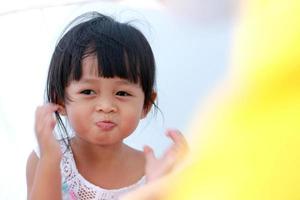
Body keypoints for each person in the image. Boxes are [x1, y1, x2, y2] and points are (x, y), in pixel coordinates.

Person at [26, 11, 187, 200]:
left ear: (146, 104)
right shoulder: (46, 159)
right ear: (59, 99)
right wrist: (50, 161)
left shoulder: (152, 171)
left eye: (122, 93)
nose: (106, 106)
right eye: (88, 92)